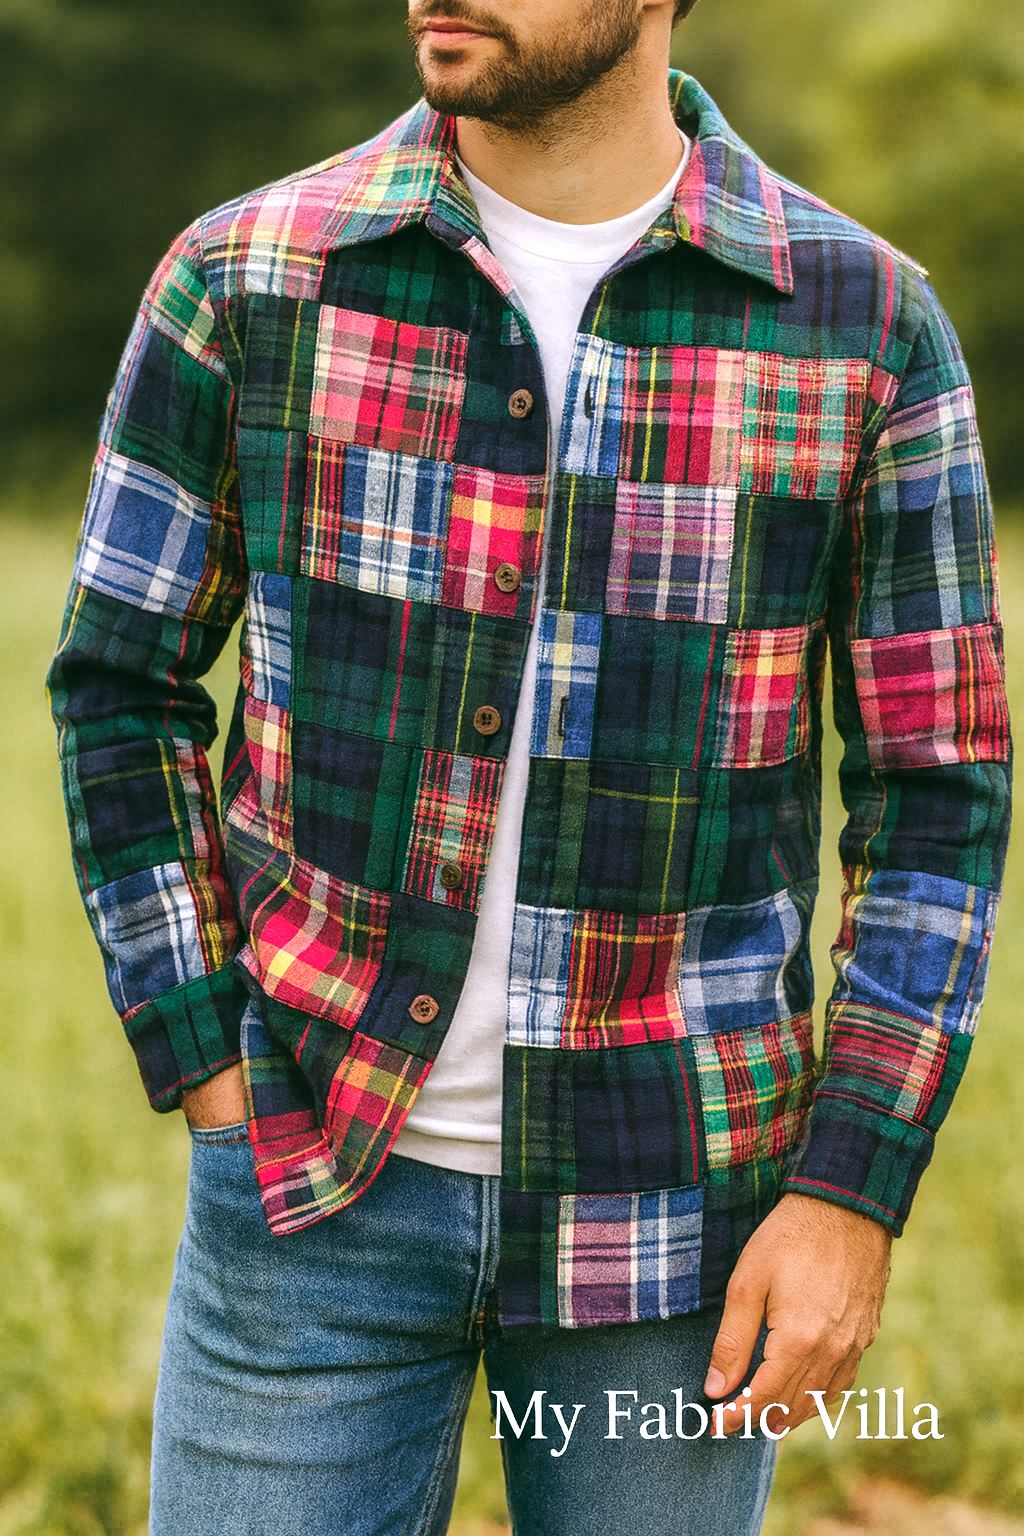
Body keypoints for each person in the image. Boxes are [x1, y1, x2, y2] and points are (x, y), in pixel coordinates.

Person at [48, 0, 1010, 1531]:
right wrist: (207, 1062)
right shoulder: (249, 276)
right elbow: (119, 684)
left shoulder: (864, 327)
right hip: (312, 1189)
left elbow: (937, 793)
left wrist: (849, 1187)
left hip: (682, 1226)